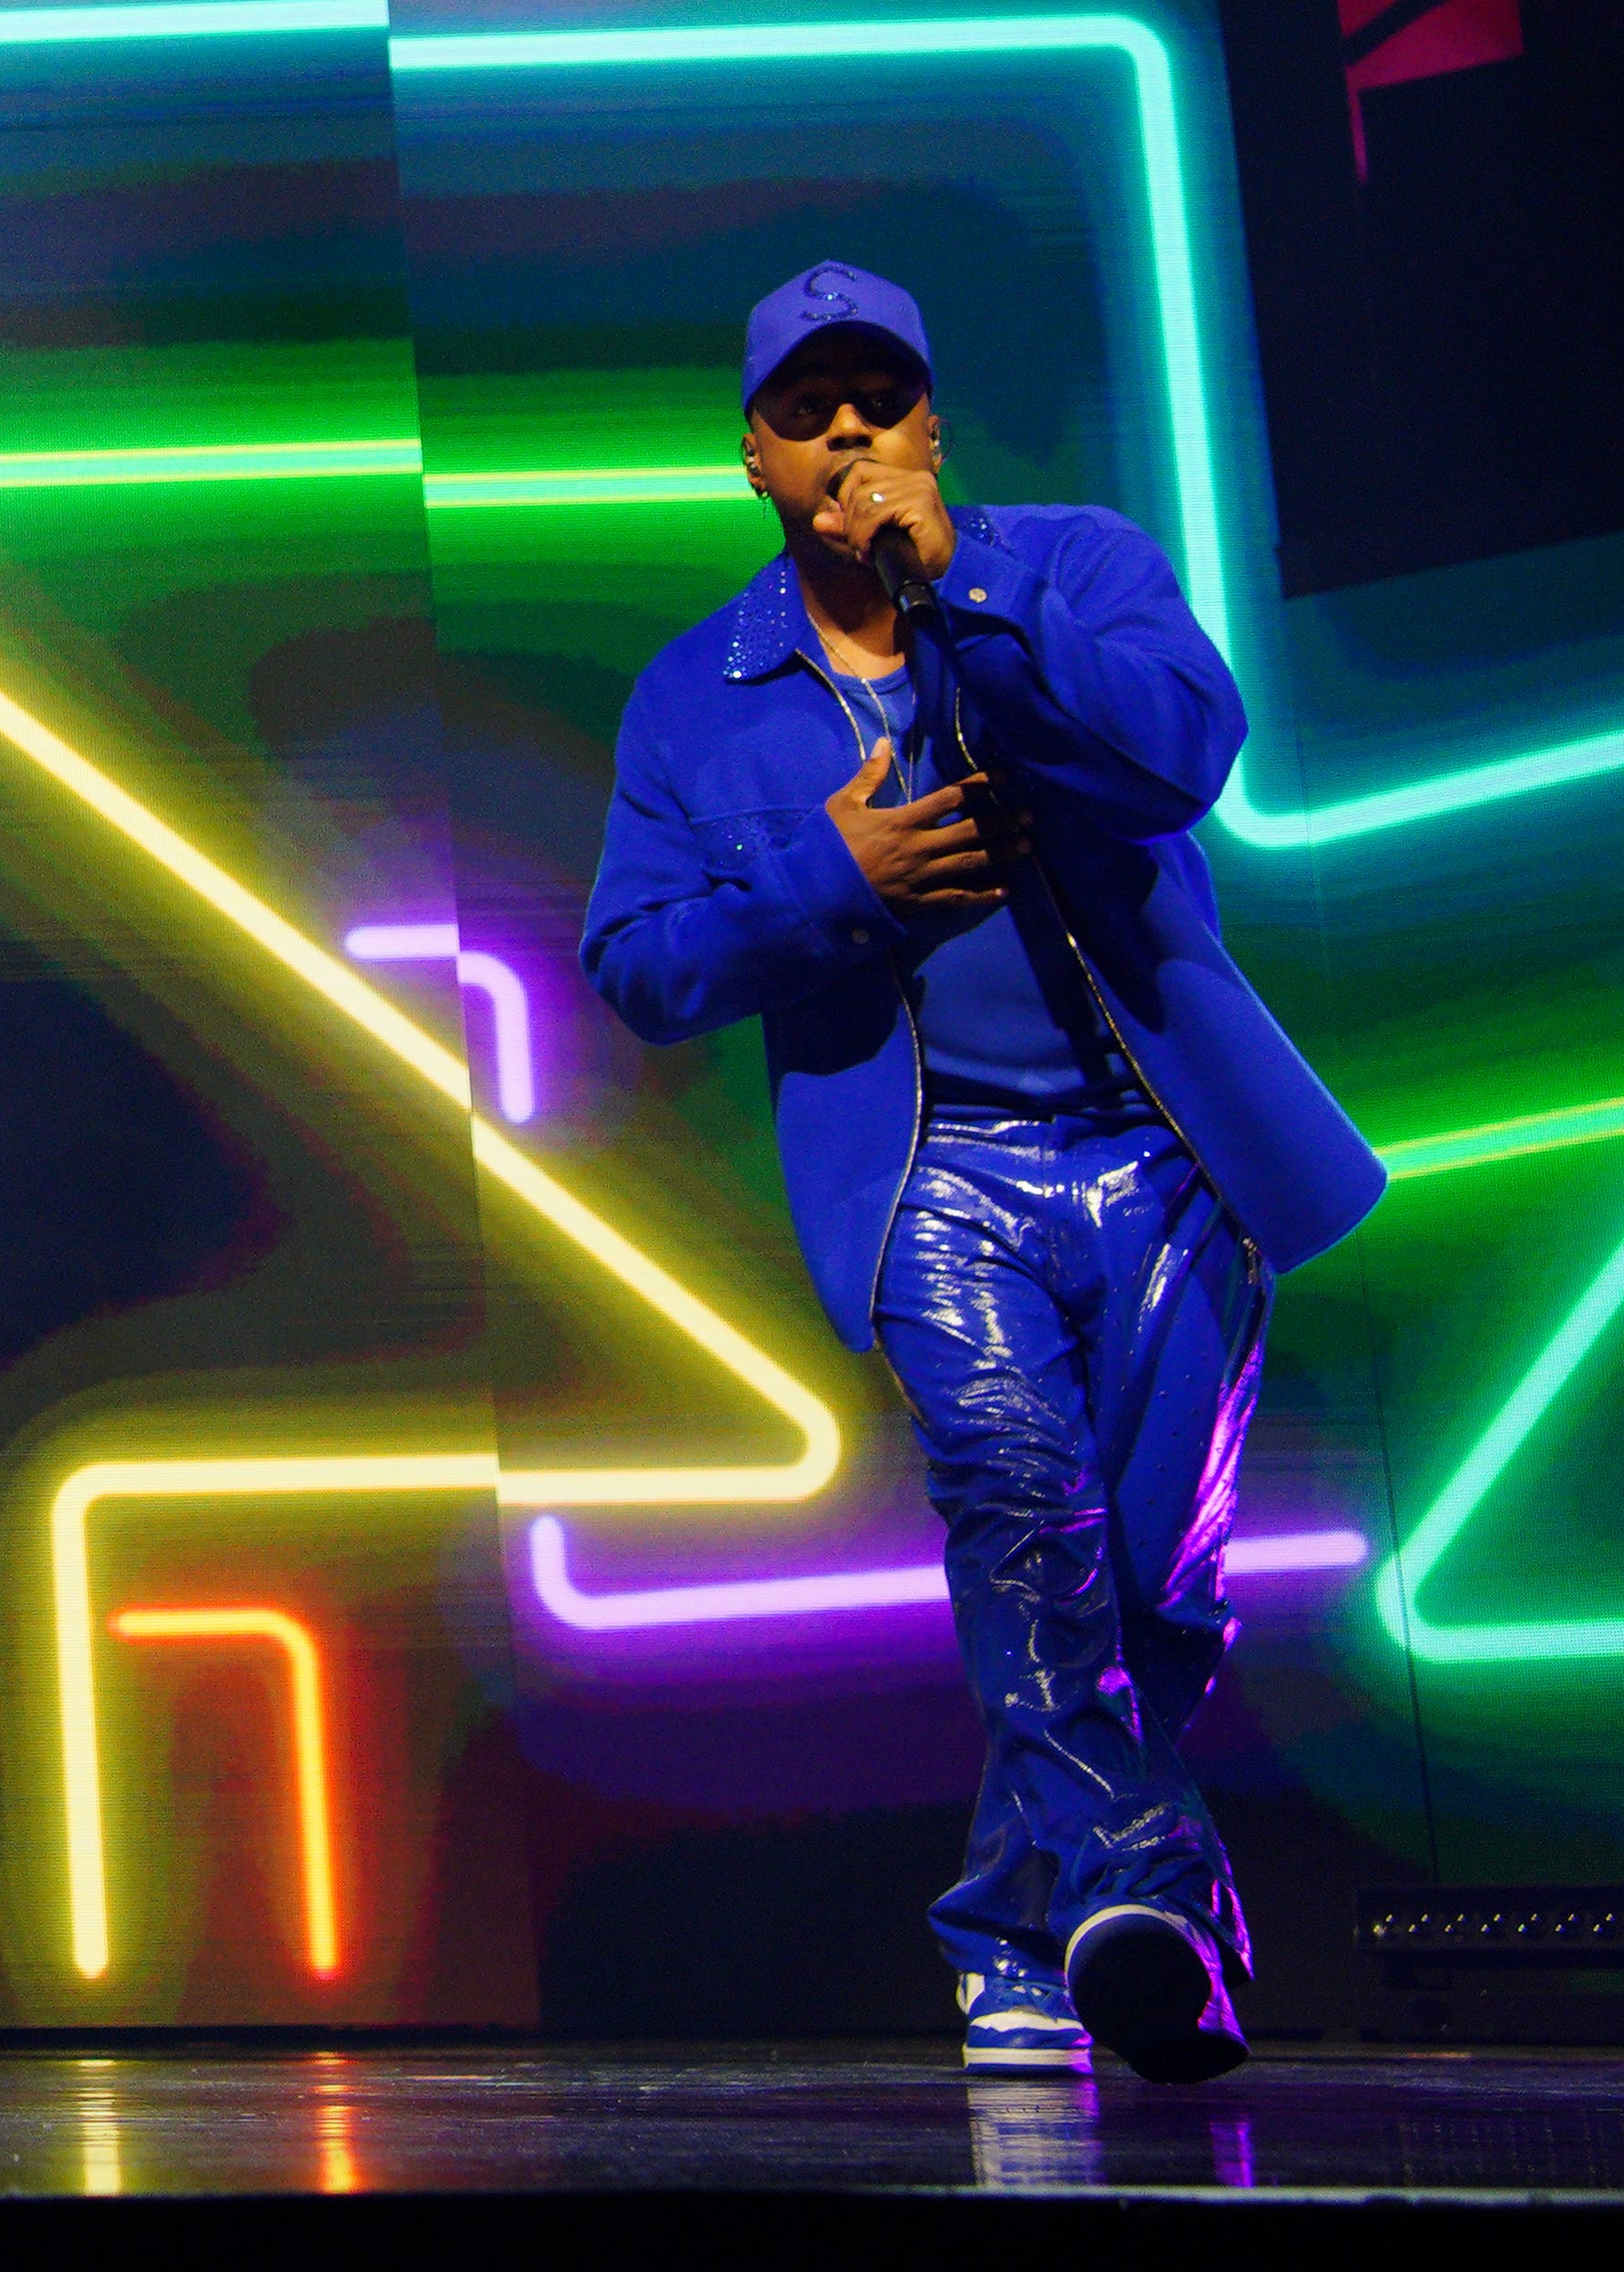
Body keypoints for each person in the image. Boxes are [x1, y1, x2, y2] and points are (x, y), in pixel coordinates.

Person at [583, 263, 1380, 2088]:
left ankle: (1018, 1927)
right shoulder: (696, 695)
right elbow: (634, 965)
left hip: (1167, 1153)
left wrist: (964, 596)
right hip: (933, 1171)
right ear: (754, 457)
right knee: (1025, 1518)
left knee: (1158, 1575)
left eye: (880, 392)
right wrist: (829, 879)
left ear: (932, 421)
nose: (848, 426)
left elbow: (1180, 754)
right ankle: (1141, 1900)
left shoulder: (1074, 564)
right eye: (807, 405)